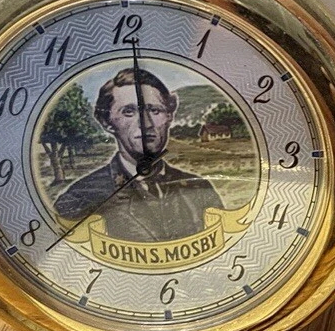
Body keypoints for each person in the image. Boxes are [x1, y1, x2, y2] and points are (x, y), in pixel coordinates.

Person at [53, 68, 224, 241]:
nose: (145, 124)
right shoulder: (80, 197)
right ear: (107, 122)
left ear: (169, 116)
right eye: (129, 111)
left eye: (155, 110)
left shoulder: (200, 190)